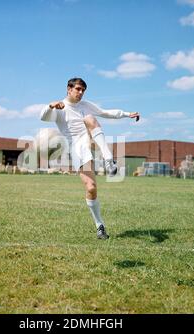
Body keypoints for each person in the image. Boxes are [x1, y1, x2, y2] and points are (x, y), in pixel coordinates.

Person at [40, 78, 140, 239]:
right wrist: (50, 105)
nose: (81, 93)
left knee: (90, 118)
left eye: (83, 90)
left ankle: (109, 160)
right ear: (69, 89)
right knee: (91, 187)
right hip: (78, 148)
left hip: (91, 139)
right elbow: (43, 117)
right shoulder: (60, 108)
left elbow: (106, 113)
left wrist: (127, 114)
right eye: (78, 89)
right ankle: (99, 226)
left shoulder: (85, 105)